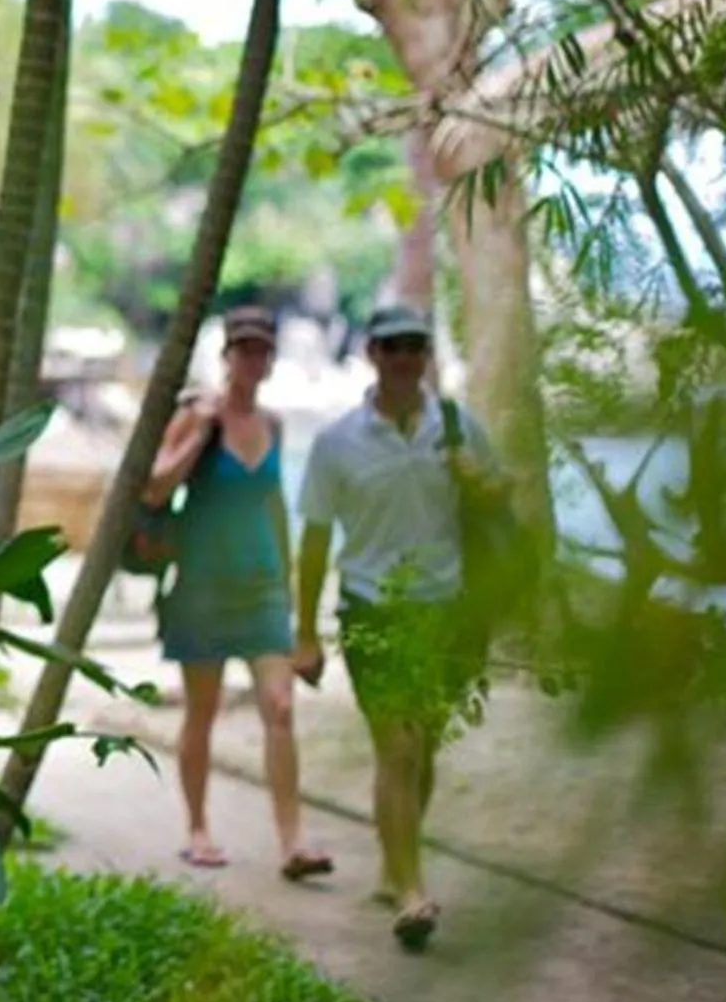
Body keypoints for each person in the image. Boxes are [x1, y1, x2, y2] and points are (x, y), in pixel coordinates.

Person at [295, 303, 506, 950]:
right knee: (399, 745)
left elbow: (502, 498)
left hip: (447, 609)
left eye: (416, 345)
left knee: (425, 747)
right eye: (393, 346)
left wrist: (479, 484)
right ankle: (414, 891)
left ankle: (394, 865)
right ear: (372, 354)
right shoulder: (336, 443)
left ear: (427, 354)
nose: (405, 357)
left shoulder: (456, 425)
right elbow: (314, 539)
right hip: (371, 609)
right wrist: (303, 632)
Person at [146, 305, 332, 882]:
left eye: (262, 350)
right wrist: (199, 432)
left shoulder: (274, 425)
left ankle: (293, 842)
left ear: (270, 360)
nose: (252, 359)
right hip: (202, 586)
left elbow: (275, 506)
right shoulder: (197, 416)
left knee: (280, 706)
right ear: (227, 356)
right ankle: (197, 829)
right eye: (243, 349)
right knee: (203, 710)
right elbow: (153, 489)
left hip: (262, 588)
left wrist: (297, 597)